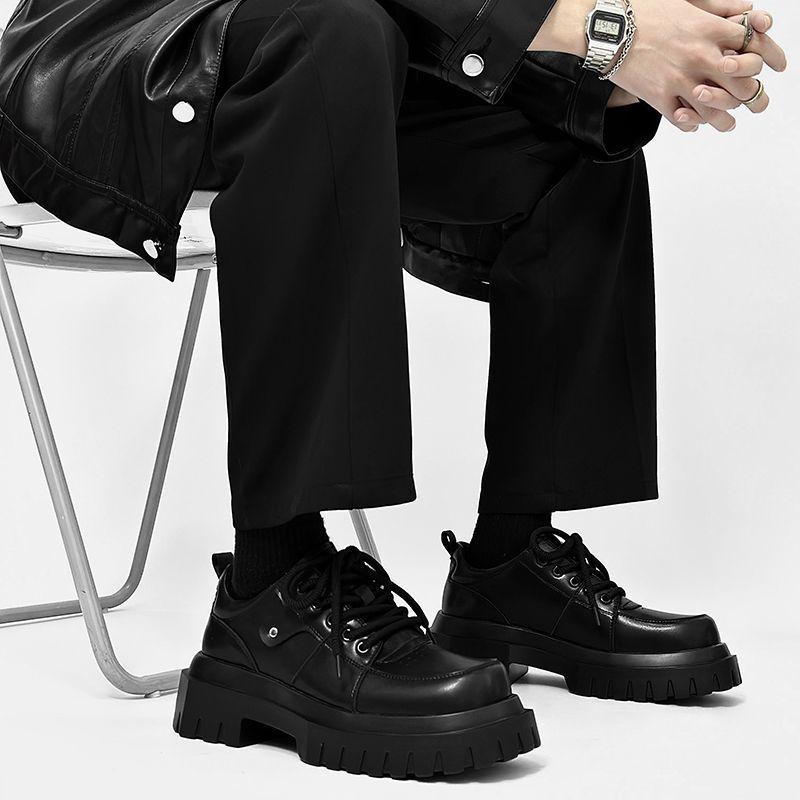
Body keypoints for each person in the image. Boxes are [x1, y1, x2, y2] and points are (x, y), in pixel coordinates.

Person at [0, 0, 786, 779]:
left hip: (304, 61)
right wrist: (607, 29)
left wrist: (646, 53)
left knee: (570, 107)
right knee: (330, 30)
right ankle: (269, 594)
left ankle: (510, 569)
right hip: (110, 51)